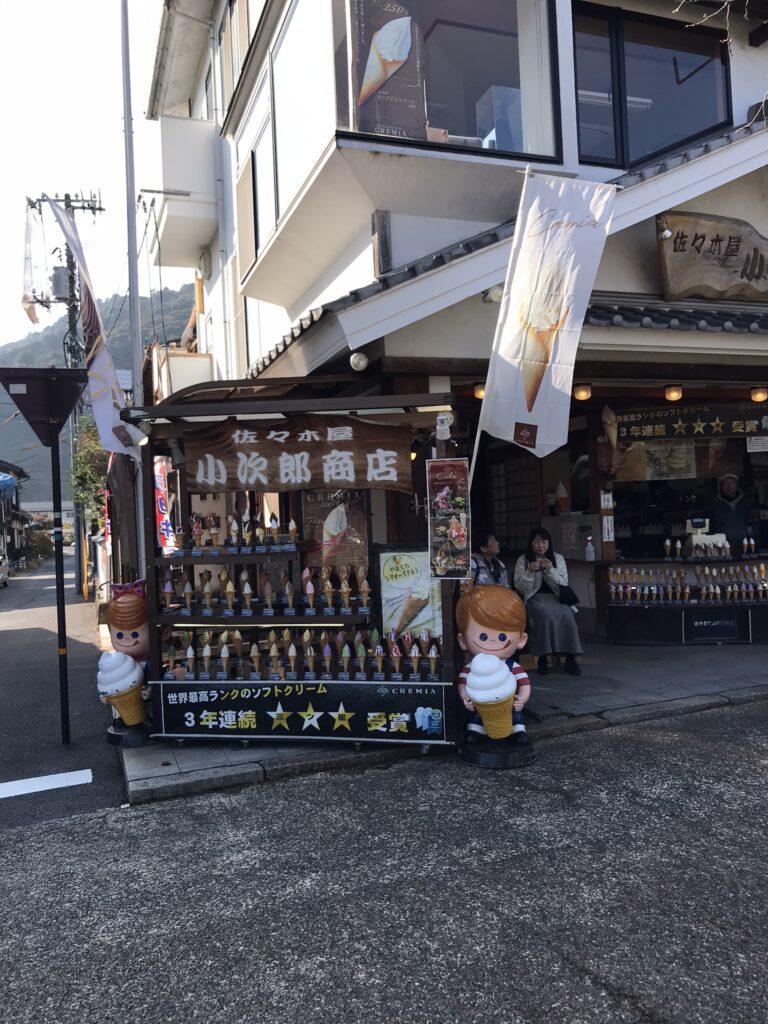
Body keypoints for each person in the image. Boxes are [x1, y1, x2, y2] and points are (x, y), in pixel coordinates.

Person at [455, 584, 535, 763]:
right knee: (476, 715)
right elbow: (462, 683)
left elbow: (524, 683)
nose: (492, 641)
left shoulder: (511, 666)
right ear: (463, 640)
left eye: (501, 637)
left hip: (509, 703)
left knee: (514, 714)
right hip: (478, 703)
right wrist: (465, 698)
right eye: (482, 637)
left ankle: (518, 731)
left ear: (521, 640)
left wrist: (522, 699)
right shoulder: (472, 667)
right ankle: (476, 731)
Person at [514, 527, 583, 676]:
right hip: (534, 599)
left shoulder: (557, 558)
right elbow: (521, 587)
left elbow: (564, 583)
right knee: (544, 615)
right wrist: (530, 571)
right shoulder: (523, 560)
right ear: (531, 543)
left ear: (549, 543)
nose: (540, 546)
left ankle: (571, 658)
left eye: (544, 541)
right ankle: (543, 658)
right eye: (536, 542)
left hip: (556, 598)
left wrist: (551, 570)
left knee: (567, 615)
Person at [705, 473, 752, 556]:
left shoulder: (745, 503)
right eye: (726, 483)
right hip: (721, 545)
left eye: (732, 483)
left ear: (737, 485)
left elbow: (749, 524)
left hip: (743, 544)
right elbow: (709, 527)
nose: (729, 486)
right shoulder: (713, 504)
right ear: (721, 486)